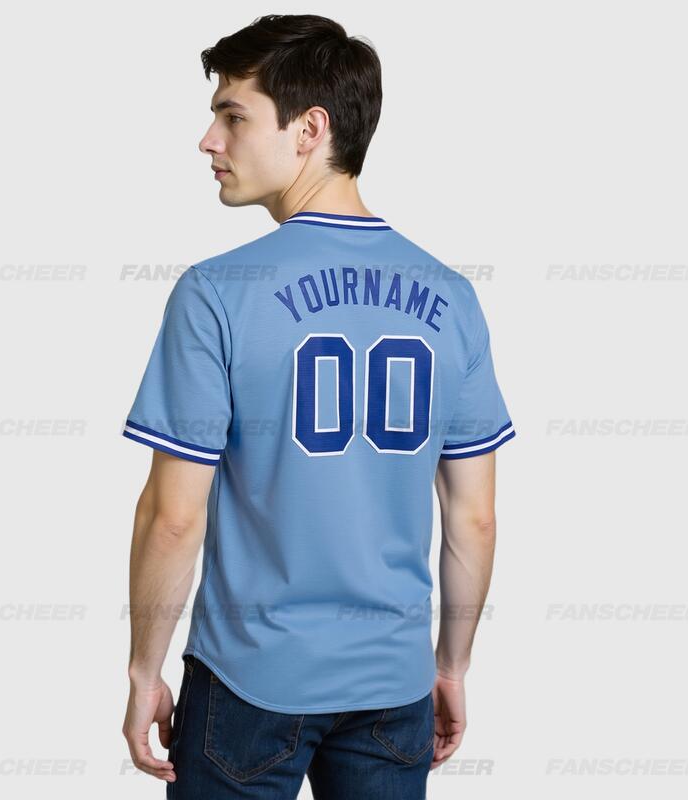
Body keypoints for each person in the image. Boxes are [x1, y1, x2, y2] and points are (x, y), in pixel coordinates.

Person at [120, 14, 516, 800]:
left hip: (248, 680)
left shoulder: (216, 294)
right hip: (394, 686)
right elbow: (472, 517)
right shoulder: (452, 297)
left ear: (310, 129)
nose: (208, 140)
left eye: (233, 116)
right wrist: (451, 666)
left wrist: (142, 671)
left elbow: (173, 516)